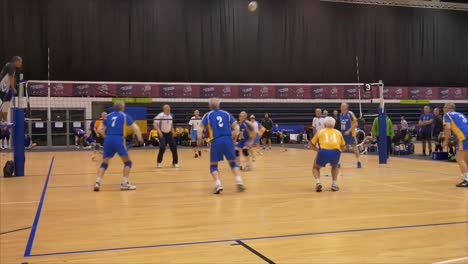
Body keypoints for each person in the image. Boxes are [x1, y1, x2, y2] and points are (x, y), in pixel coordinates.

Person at [198, 98, 245, 194]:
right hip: (228, 139)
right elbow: (237, 127)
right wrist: (234, 138)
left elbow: (200, 129)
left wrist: (199, 143)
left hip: (216, 141)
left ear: (210, 106)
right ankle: (239, 181)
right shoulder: (226, 113)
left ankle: (218, 184)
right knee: (233, 163)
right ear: (219, 105)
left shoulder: (208, 115)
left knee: (213, 165)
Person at [93, 101, 143, 192]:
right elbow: (136, 128)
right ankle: (124, 183)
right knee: (128, 162)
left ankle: (97, 182)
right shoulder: (124, 115)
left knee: (104, 163)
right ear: (122, 107)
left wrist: (106, 137)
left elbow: (99, 129)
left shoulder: (108, 116)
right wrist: (140, 138)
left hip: (108, 140)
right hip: (119, 139)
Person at [310, 116, 345, 192]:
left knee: (315, 167)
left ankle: (318, 182)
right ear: (334, 125)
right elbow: (343, 147)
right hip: (335, 151)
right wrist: (338, 152)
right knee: (335, 166)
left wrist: (318, 150)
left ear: (325, 124)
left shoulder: (320, 131)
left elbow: (311, 145)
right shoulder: (338, 132)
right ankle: (334, 184)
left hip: (323, 151)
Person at [442, 103, 468, 187]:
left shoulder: (447, 115)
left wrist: (446, 140)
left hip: (463, 137)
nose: (443, 109)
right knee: (465, 159)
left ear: (449, 108)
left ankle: (467, 180)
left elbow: (448, 128)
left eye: (444, 107)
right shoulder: (461, 114)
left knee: (459, 158)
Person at [0, 56, 22, 122]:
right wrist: (13, 88)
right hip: (3, 90)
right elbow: (11, 77)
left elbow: (12, 78)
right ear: (16, 61)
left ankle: (4, 123)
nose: (21, 64)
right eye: (20, 62)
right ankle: (4, 123)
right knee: (3, 109)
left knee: (4, 108)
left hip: (5, 91)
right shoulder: (11, 66)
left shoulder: (10, 66)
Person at [340, 103, 362, 168]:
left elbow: (356, 124)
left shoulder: (350, 114)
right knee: (340, 148)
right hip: (343, 134)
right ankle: (338, 162)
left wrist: (348, 131)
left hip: (350, 134)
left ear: (346, 107)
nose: (341, 107)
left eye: (342, 106)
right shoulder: (340, 114)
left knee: (354, 148)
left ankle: (359, 162)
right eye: (341, 106)